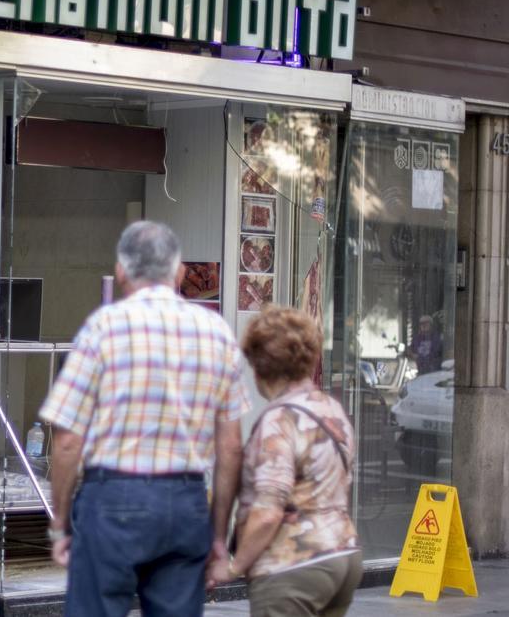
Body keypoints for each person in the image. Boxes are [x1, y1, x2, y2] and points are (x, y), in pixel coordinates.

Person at [40, 221, 248, 617]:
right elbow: (231, 447)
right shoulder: (217, 333)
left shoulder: (103, 329)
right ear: (181, 272)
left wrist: (61, 523)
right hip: (185, 504)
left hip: (112, 501)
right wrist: (218, 533)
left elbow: (67, 441)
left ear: (120, 270)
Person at [208, 306, 361, 616]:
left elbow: (269, 510)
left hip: (292, 565)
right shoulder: (332, 410)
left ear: (260, 366)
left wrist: (234, 567)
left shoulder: (279, 420)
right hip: (342, 556)